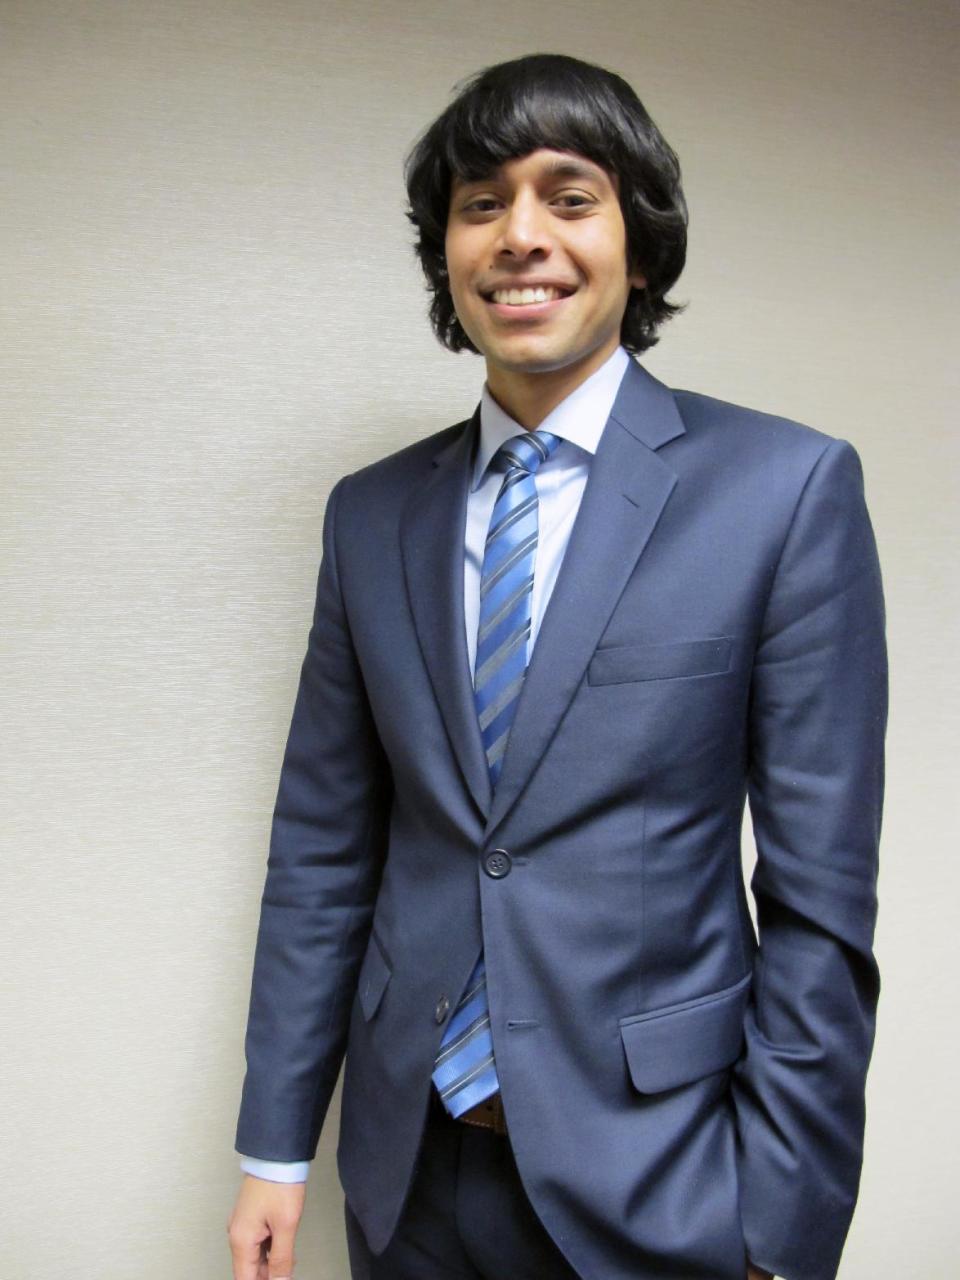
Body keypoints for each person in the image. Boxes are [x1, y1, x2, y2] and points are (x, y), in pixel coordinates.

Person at [227, 52, 886, 1280]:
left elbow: (820, 908)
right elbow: (321, 851)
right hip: (406, 1169)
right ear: (447, 256)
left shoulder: (784, 491)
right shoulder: (369, 516)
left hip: (660, 1173)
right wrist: (275, 1145)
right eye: (482, 203)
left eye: (569, 196)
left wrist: (781, 1230)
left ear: (639, 242)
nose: (520, 235)